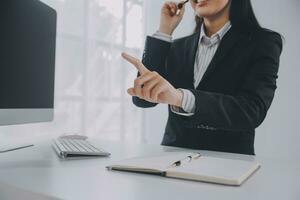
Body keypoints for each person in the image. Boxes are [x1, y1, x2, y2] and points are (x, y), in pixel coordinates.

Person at [122, 0, 283, 155]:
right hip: (171, 160)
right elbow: (142, 100)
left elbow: (251, 111)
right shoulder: (178, 46)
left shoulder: (263, 42)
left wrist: (181, 98)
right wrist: (165, 31)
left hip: (228, 165)